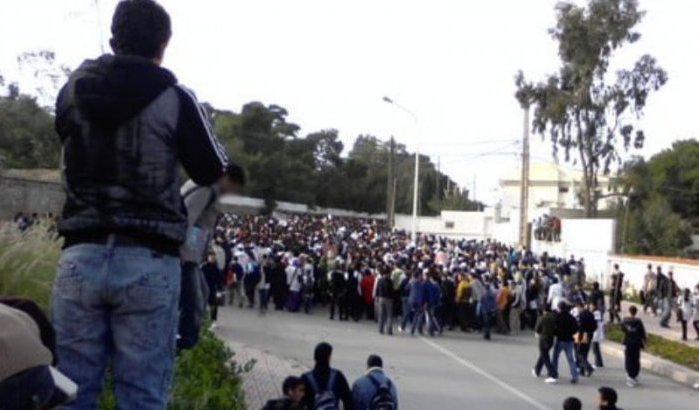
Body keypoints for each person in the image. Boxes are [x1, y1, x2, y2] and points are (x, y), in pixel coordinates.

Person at [51, 1, 230, 408]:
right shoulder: (175, 98)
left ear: (114, 38)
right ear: (163, 45)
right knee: (142, 396)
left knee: (70, 394)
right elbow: (211, 169)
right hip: (149, 261)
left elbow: (63, 136)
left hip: (80, 255)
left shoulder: (72, 91)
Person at [179, 164, 244, 349]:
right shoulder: (205, 188)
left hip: (191, 257)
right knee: (193, 303)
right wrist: (180, 251)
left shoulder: (210, 190)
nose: (231, 193)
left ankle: (189, 339)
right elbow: (185, 219)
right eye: (234, 189)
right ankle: (184, 344)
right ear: (228, 179)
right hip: (184, 257)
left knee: (204, 294)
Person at [301, 342, 352, 410]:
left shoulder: (305, 378)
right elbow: (348, 401)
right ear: (329, 357)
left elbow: (299, 403)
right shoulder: (338, 376)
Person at [548, 302, 579, 384]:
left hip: (560, 340)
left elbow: (554, 328)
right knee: (570, 359)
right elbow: (576, 329)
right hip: (569, 340)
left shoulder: (558, 317)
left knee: (555, 358)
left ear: (560, 308)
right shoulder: (571, 318)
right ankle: (574, 376)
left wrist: (556, 333)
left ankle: (554, 373)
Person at [620, 305, 646, 387]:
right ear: (636, 312)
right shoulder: (639, 322)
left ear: (629, 311)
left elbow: (622, 329)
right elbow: (642, 333)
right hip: (637, 343)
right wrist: (644, 341)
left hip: (628, 342)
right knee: (636, 359)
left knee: (628, 359)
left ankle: (630, 375)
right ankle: (635, 375)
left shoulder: (625, 320)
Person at [202, 251, 226, 329]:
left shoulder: (216, 268)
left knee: (214, 306)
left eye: (213, 257)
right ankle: (204, 320)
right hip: (204, 288)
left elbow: (219, 279)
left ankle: (213, 320)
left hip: (213, 289)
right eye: (210, 256)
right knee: (203, 305)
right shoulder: (204, 267)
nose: (212, 258)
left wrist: (220, 289)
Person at [533, 303, 557, 379]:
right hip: (551, 338)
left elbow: (537, 329)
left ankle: (552, 372)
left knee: (544, 356)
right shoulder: (553, 318)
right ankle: (537, 370)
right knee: (544, 354)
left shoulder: (542, 318)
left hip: (543, 338)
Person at [375, 268, 394, 335]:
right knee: (389, 315)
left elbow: (377, 289)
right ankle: (389, 330)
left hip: (381, 298)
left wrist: (377, 297)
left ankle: (381, 329)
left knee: (381, 314)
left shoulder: (380, 280)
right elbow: (392, 291)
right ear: (389, 273)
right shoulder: (390, 281)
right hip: (388, 299)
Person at [591, 302, 605, 368]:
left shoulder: (596, 312)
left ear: (594, 306)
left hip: (596, 333)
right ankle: (599, 363)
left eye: (591, 305)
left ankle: (597, 363)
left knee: (595, 348)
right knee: (596, 348)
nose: (590, 306)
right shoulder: (596, 312)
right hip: (596, 332)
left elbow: (596, 321)